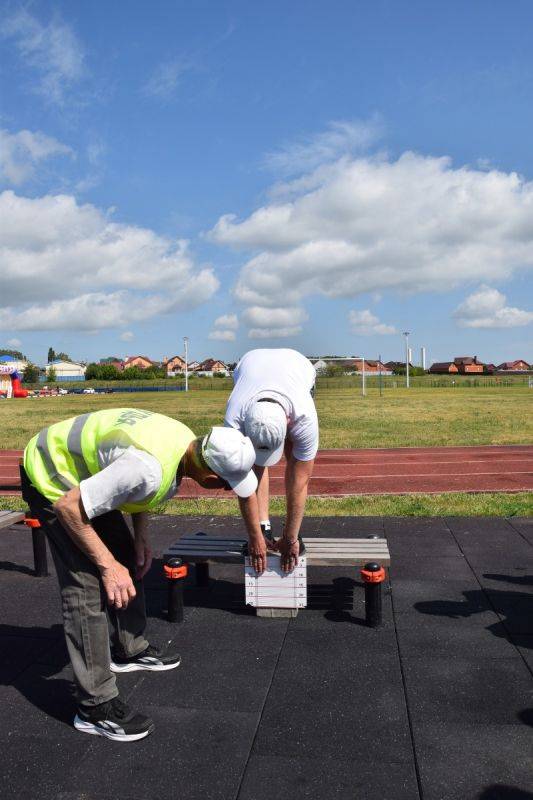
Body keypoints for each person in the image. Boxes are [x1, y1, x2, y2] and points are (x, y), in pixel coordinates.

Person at [21, 407, 257, 742]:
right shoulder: (148, 468)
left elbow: (137, 491)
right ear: (208, 474)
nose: (225, 491)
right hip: (51, 474)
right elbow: (70, 508)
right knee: (86, 584)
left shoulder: (184, 443)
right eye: (225, 484)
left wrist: (140, 539)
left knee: (127, 554)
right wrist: (108, 566)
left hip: (86, 475)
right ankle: (95, 707)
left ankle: (128, 649)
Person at [224, 349, 319, 574]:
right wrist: (255, 534)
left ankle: (286, 530)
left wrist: (291, 537)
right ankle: (264, 524)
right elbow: (243, 482)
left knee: (293, 459)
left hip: (299, 366)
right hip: (249, 366)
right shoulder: (234, 419)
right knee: (253, 464)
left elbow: (300, 481)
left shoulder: (304, 417)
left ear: (288, 421)